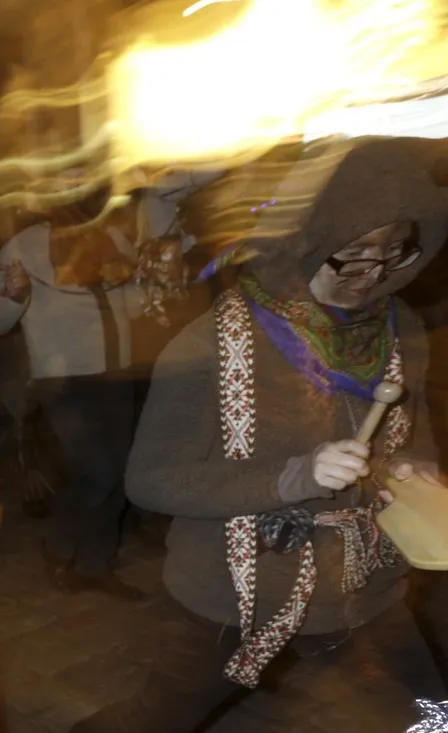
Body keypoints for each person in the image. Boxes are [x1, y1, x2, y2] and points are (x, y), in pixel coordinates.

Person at [71, 137, 448, 732]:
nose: (373, 275)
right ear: (311, 240)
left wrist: (413, 463)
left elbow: (413, 426)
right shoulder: (210, 343)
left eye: (393, 253)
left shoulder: (400, 325)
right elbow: (152, 481)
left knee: (432, 716)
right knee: (157, 721)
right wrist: (294, 476)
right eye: (353, 255)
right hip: (230, 594)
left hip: (359, 587)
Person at [0, 200, 145, 599]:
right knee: (98, 474)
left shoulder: (113, 238)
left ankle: (95, 565)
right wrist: (15, 295)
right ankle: (58, 543)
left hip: (118, 374)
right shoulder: (24, 246)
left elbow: (134, 308)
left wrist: (144, 281)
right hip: (64, 381)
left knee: (121, 478)